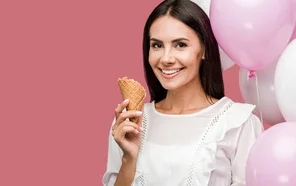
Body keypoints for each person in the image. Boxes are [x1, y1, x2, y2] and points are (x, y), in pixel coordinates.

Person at [102, 0, 264, 185]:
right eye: (157, 45)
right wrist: (128, 159)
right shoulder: (129, 123)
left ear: (203, 49)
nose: (166, 58)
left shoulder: (239, 123)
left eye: (180, 45)